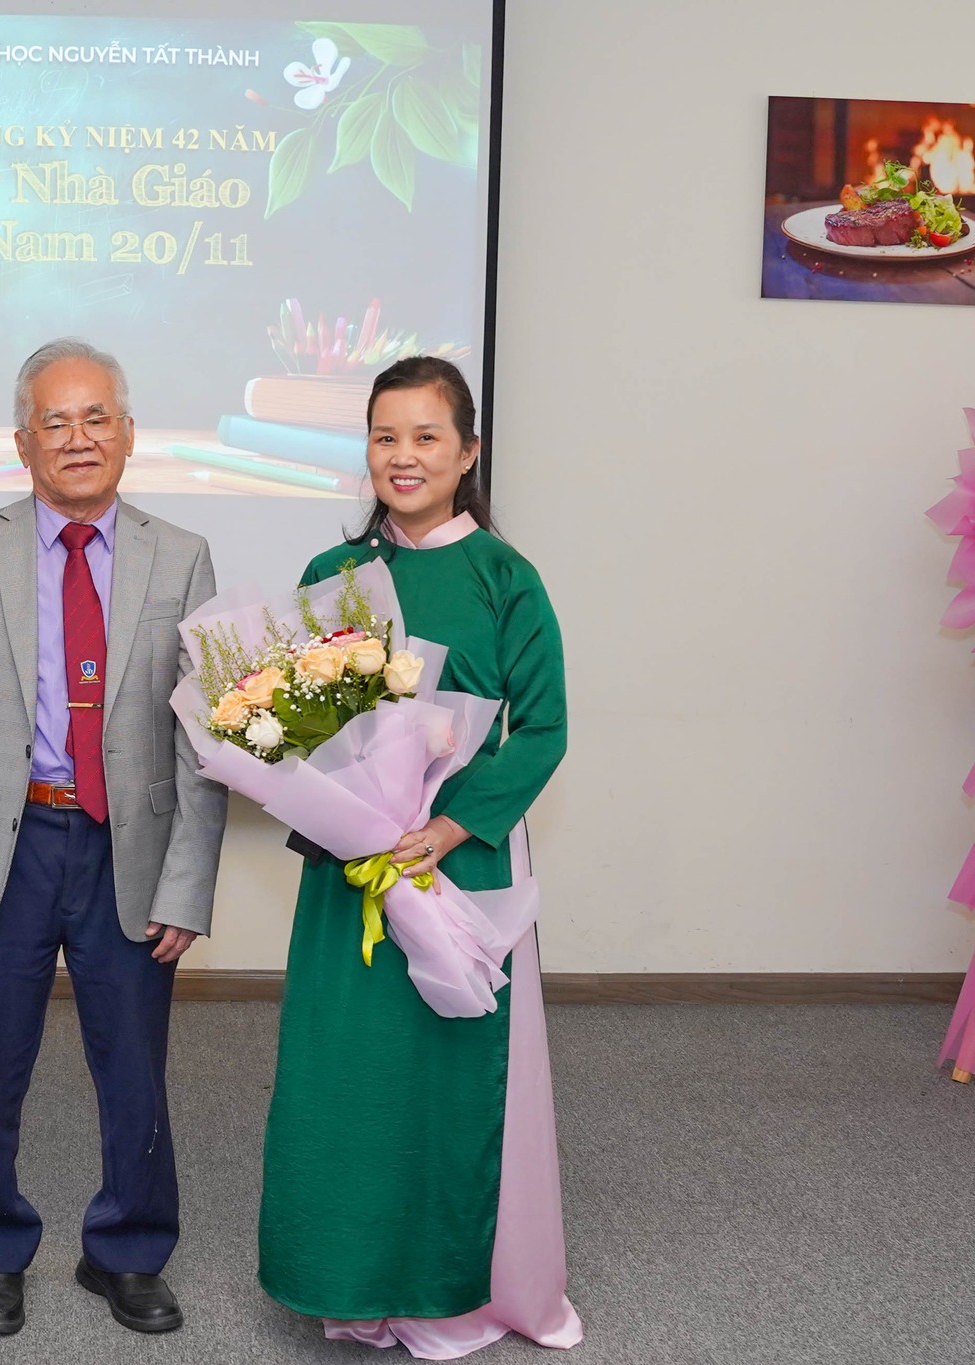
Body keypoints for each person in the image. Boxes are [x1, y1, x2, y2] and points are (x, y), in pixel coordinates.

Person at [256, 356, 582, 1358]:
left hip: (458, 859)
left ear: (467, 452)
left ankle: (454, 1289)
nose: (402, 456)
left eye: (426, 437)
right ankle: (349, 1280)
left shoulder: (504, 577)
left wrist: (447, 825)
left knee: (450, 1074)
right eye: (383, 436)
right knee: (349, 1073)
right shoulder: (332, 573)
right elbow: (299, 724)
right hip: (352, 863)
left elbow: (543, 728)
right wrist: (349, 807)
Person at [0, 338, 227, 1337]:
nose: (77, 438)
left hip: (127, 849)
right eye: (55, 421)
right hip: (3, 848)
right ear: (22, 442)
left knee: (133, 1069)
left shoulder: (181, 555)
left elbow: (203, 740)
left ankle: (128, 1249)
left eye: (96, 419)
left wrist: (187, 886)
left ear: (127, 435)